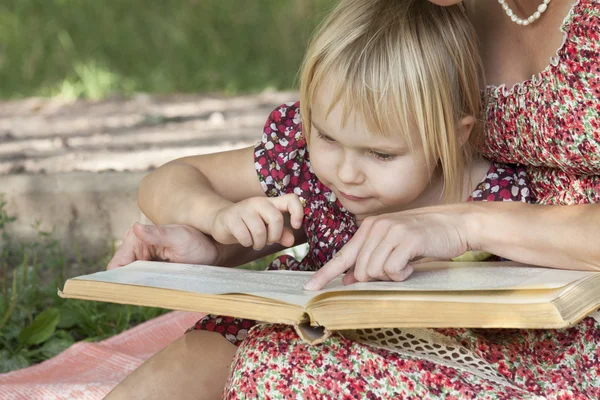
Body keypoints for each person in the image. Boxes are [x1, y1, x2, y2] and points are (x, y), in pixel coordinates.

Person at [106, 0, 600, 398]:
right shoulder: (315, 165)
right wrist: (215, 226)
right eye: (326, 139)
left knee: (272, 366)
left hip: (456, 340)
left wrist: (466, 226)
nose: (345, 171)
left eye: (381, 155)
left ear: (455, 137)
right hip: (296, 325)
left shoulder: (499, 193)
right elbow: (168, 181)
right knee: (197, 360)